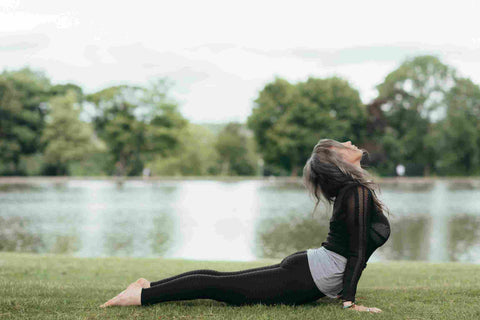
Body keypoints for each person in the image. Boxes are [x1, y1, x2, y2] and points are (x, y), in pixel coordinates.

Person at [100, 138, 391, 313]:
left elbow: (357, 251)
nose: (351, 144)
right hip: (307, 275)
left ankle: (146, 287)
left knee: (219, 281)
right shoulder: (355, 192)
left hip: (310, 270)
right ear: (339, 159)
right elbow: (357, 250)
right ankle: (141, 295)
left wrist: (343, 292)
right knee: (218, 285)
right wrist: (349, 302)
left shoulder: (354, 191)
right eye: (343, 145)